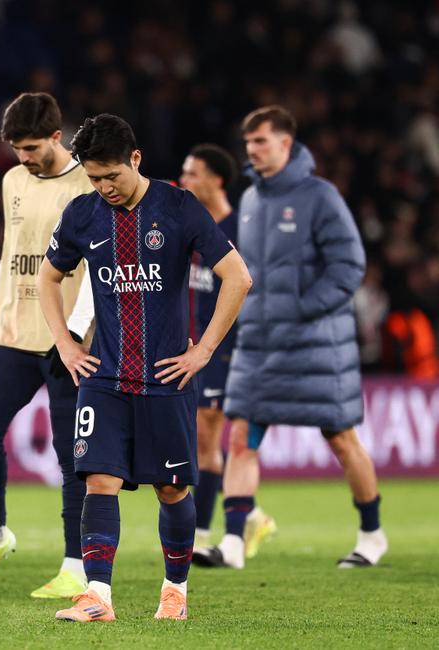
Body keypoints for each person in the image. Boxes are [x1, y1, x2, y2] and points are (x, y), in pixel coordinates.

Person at [40, 113, 251, 622]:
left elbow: (238, 277)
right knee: (98, 480)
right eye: (94, 178)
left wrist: (203, 351)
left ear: (135, 159)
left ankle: (174, 591)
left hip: (166, 379)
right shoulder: (82, 214)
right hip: (104, 377)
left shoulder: (178, 207)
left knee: (172, 488)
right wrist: (65, 344)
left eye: (112, 175)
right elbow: (48, 278)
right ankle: (97, 596)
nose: (104, 187)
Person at [202, 105, 387, 570]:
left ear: (286, 143)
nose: (252, 150)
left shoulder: (321, 197)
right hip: (259, 345)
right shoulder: (250, 200)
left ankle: (372, 534)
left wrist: (300, 309)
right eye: (248, 142)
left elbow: (349, 266)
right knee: (240, 438)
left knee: (341, 439)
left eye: (261, 141)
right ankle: (233, 543)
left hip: (316, 347)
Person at [0, 92, 96, 599]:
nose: (23, 157)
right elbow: (10, 256)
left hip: (68, 342)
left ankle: (75, 566)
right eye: (16, 148)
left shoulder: (89, 183)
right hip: (14, 335)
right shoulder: (13, 180)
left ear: (58, 137)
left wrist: (76, 332)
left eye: (32, 147)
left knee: (71, 456)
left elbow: (98, 268)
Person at [178, 144, 277, 563]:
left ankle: (203, 533)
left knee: (210, 435)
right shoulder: (190, 227)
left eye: (193, 173)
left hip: (229, 350)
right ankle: (248, 516)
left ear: (216, 180)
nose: (184, 180)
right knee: (202, 437)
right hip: (196, 346)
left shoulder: (240, 229)